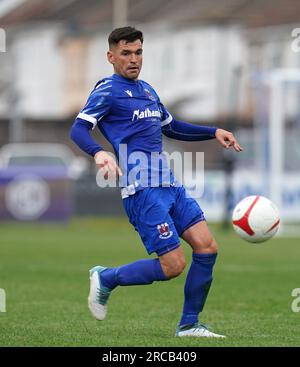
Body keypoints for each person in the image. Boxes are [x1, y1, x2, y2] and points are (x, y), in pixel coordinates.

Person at [70, 26, 243, 338]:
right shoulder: (107, 90)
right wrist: (98, 153)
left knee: (207, 247)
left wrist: (212, 131)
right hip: (142, 189)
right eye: (126, 53)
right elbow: (79, 129)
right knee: (173, 265)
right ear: (111, 57)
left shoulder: (148, 90)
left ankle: (189, 325)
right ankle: (107, 278)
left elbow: (172, 127)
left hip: (169, 184)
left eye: (138, 52)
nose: (133, 59)